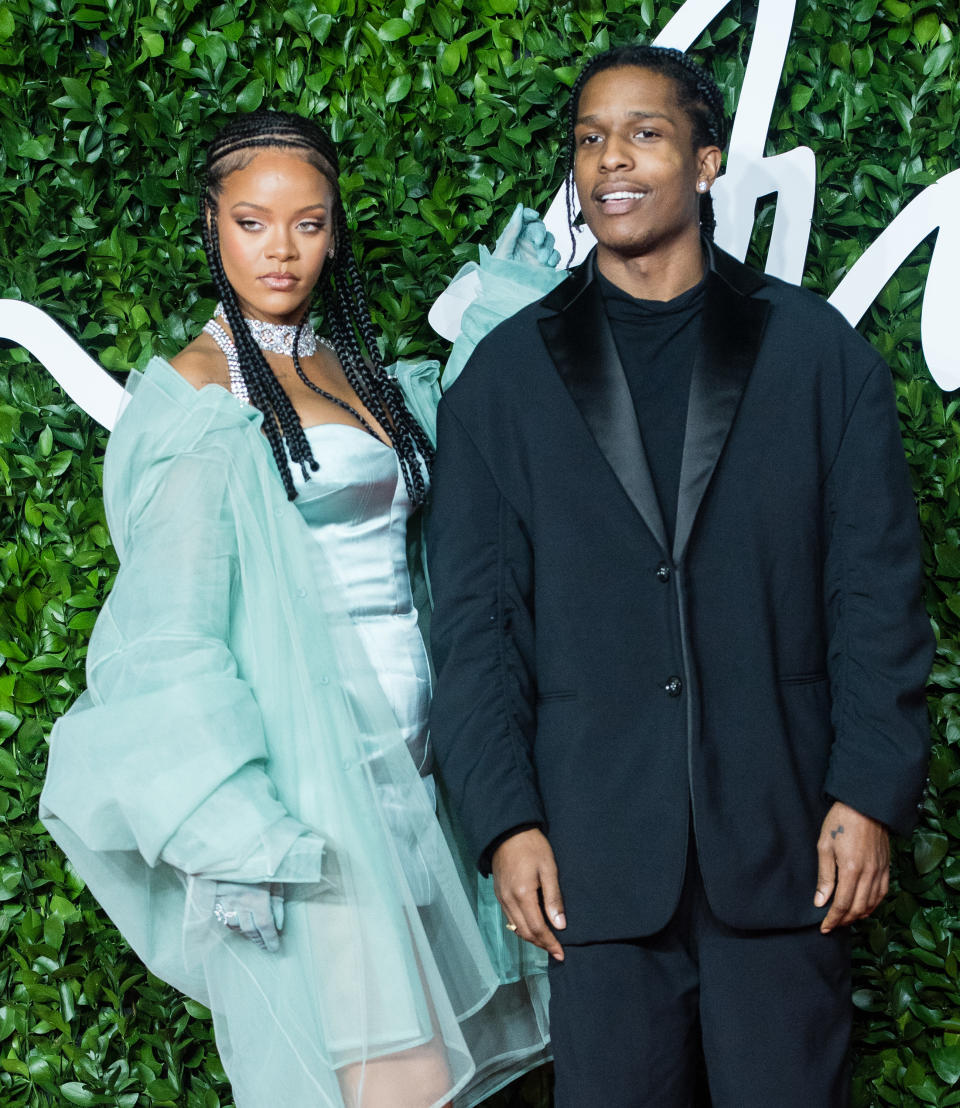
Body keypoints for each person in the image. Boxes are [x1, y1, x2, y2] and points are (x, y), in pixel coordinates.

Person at [427, 45, 934, 1108]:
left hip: (788, 836)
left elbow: (875, 590)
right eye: (589, 140)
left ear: (706, 160)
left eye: (644, 134)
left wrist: (869, 790)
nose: (611, 159)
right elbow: (475, 624)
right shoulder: (504, 382)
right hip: (593, 857)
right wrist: (504, 819)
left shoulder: (817, 354)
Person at [39, 109, 560, 1108]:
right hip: (319, 784)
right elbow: (167, 631)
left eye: (308, 224)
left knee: (442, 1084)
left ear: (334, 229)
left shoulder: (347, 363)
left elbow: (450, 477)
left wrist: (508, 313)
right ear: (210, 225)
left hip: (422, 768)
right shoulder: (201, 397)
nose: (281, 249)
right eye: (252, 221)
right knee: (399, 1085)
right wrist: (232, 822)